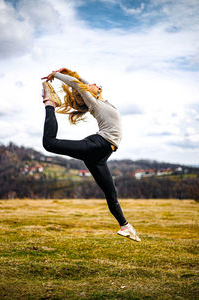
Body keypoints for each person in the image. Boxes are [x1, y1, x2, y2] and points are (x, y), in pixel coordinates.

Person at [41, 67, 141, 242]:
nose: (94, 84)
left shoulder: (101, 100)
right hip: (97, 145)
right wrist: (56, 75)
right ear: (86, 93)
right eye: (90, 85)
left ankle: (125, 227)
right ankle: (50, 103)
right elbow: (78, 85)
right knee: (49, 144)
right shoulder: (93, 102)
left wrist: (74, 73)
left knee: (111, 193)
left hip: (101, 155)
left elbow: (83, 83)